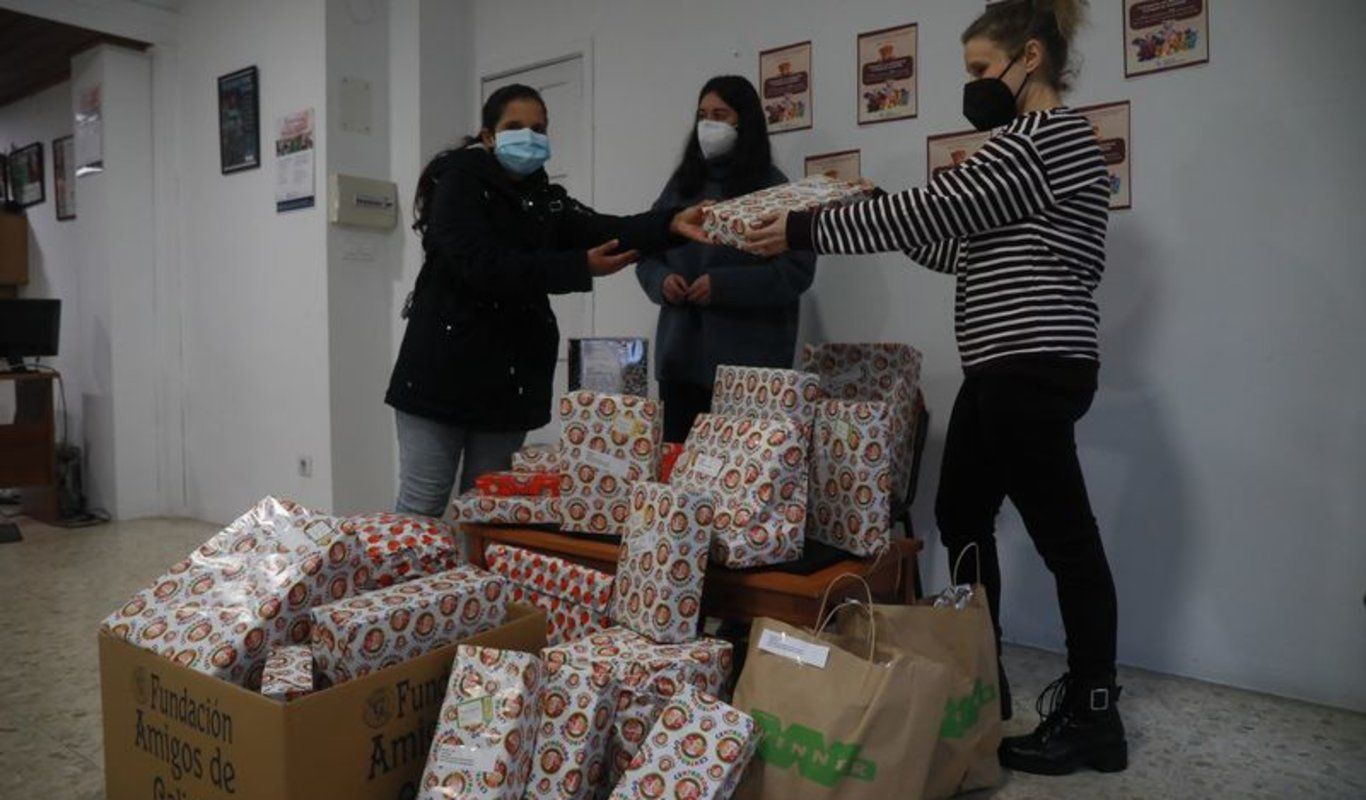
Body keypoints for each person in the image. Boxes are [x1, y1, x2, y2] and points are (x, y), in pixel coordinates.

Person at [741, 0, 1127, 778]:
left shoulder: (1041, 141)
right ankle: (980, 673)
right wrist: (863, 206)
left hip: (1030, 363)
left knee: (1065, 539)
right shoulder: (1026, 150)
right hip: (1005, 367)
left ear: (1029, 58)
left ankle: (1095, 715)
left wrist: (808, 227)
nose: (973, 84)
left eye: (981, 68)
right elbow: (955, 247)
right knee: (960, 514)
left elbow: (935, 210)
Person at [386, 84, 707, 517]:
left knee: (486, 511)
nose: (529, 137)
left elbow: (604, 229)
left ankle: (469, 568)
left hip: (507, 382)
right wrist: (578, 267)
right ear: (488, 136)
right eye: (515, 127)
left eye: (539, 129)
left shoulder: (544, 199)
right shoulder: (458, 183)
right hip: (440, 375)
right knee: (421, 507)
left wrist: (670, 224)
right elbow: (482, 264)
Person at [635, 75, 817, 442]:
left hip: (749, 370)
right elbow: (646, 252)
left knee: (739, 469)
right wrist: (661, 282)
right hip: (680, 362)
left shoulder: (774, 188)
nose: (708, 125)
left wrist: (723, 286)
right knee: (679, 465)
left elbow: (796, 271)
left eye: (720, 115)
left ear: (744, 121)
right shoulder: (681, 185)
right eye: (702, 115)